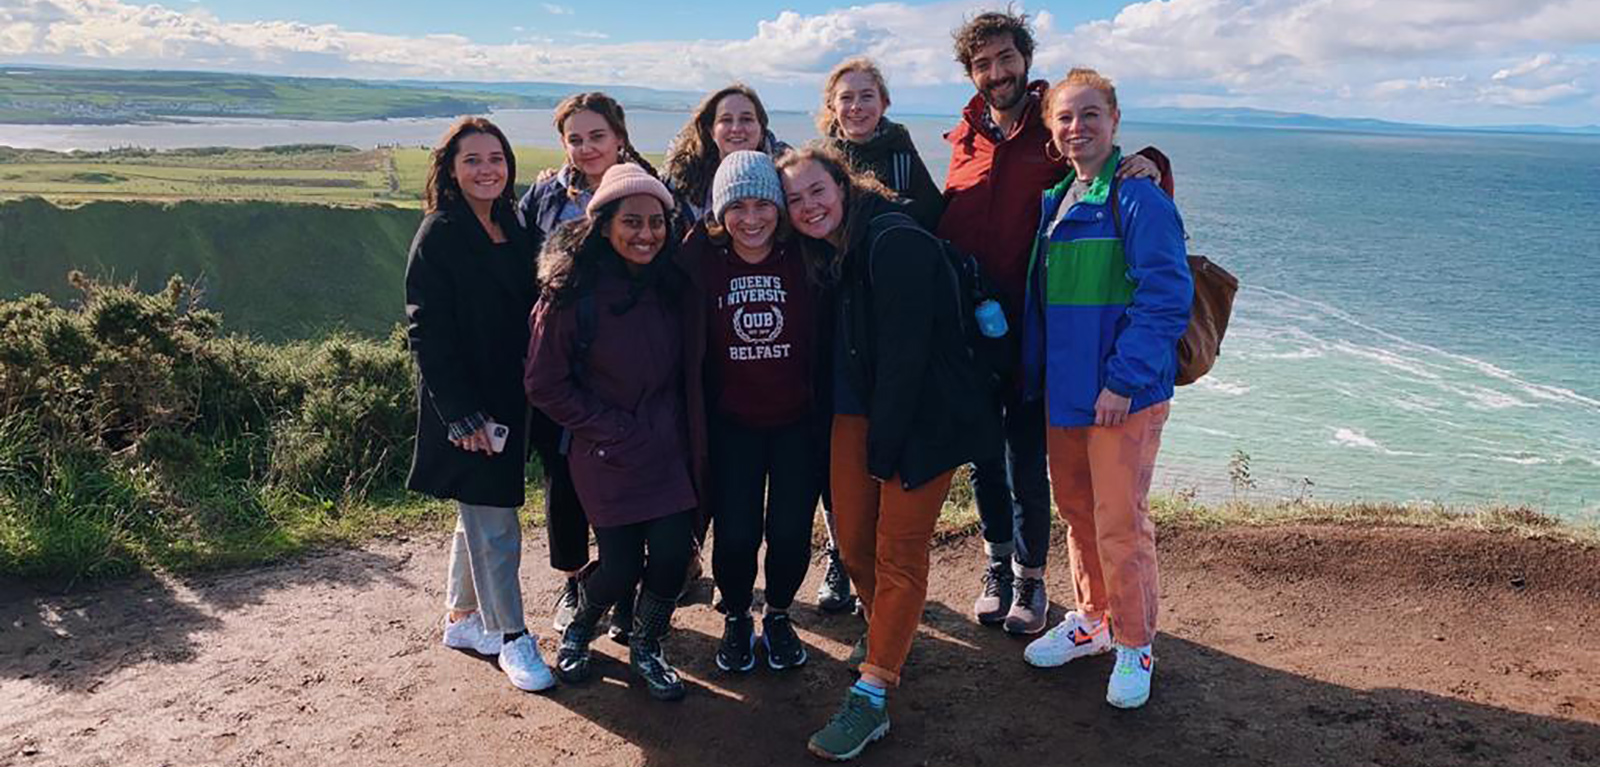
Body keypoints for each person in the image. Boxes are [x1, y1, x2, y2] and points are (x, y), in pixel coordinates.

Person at [940, 8, 1173, 636]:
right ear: (971, 73)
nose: (997, 73)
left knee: (1028, 458)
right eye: (983, 64)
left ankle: (1033, 580)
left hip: (1044, 333)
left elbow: (1104, 167)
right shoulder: (961, 141)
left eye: (1006, 58)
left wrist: (1152, 162)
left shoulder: (1052, 127)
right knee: (988, 455)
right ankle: (1002, 566)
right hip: (976, 332)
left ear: (1025, 60)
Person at [778, 145, 1002, 761]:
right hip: (857, 414)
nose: (807, 207)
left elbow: (908, 358)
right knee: (851, 542)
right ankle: (888, 635)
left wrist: (886, 449)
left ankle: (872, 694)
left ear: (842, 185)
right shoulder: (834, 250)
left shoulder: (892, 241)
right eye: (794, 200)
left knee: (897, 550)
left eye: (816, 191)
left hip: (919, 420)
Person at [1019, 69, 1192, 710]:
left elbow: (1167, 298)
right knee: (1079, 517)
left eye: (1090, 115)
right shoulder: (1060, 198)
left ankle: (1135, 643)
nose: (1077, 128)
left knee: (1121, 525)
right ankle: (1093, 620)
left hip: (1121, 398)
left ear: (1114, 120)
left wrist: (1121, 381)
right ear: (1052, 129)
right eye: (1065, 118)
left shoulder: (1139, 198)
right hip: (1065, 397)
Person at [523, 163, 698, 702]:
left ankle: (647, 644)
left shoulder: (673, 284)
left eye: (657, 222)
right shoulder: (570, 293)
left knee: (673, 558)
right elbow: (543, 383)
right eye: (632, 221)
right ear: (603, 224)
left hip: (666, 447)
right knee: (620, 564)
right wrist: (612, 429)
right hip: (605, 451)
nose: (647, 234)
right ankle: (581, 627)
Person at [405, 116, 555, 693]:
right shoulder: (440, 233)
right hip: (470, 407)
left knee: (480, 511)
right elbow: (426, 331)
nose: (487, 169)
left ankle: (463, 619)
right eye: (473, 160)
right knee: (496, 524)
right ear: (450, 168)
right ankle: (512, 636)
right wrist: (459, 415)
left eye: (496, 158)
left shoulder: (511, 226)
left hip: (511, 399)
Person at [517, 91, 658, 641]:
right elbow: (520, 267)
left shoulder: (647, 189)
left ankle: (628, 587)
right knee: (565, 476)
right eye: (574, 138)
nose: (585, 148)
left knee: (633, 478)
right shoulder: (545, 196)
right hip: (563, 358)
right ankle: (577, 579)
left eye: (596, 136)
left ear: (619, 135)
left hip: (630, 360)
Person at [678, 151, 823, 673]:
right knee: (736, 533)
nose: (752, 217)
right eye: (737, 205)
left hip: (797, 424)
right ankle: (737, 614)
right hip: (732, 424)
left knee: (788, 531)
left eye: (764, 203)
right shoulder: (701, 260)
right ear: (719, 211)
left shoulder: (802, 256)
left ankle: (779, 613)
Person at [818, 56, 944, 230]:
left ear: (884, 103)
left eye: (866, 96)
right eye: (846, 98)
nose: (856, 106)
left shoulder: (902, 154)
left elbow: (933, 216)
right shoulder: (821, 160)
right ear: (832, 106)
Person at [663, 84, 790, 223]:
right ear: (712, 131)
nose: (736, 128)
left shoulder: (786, 175)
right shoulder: (683, 180)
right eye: (726, 120)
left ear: (761, 129)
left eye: (746, 119)